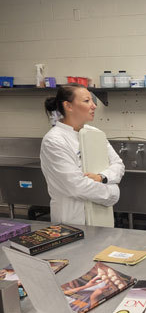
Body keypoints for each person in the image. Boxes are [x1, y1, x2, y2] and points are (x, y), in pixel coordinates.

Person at [40, 84, 125, 225]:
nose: (94, 106)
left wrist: (102, 177)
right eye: (87, 101)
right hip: (72, 220)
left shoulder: (95, 133)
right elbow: (76, 186)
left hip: (101, 217)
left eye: (92, 101)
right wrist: (113, 192)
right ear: (68, 106)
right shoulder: (54, 140)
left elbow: (118, 165)